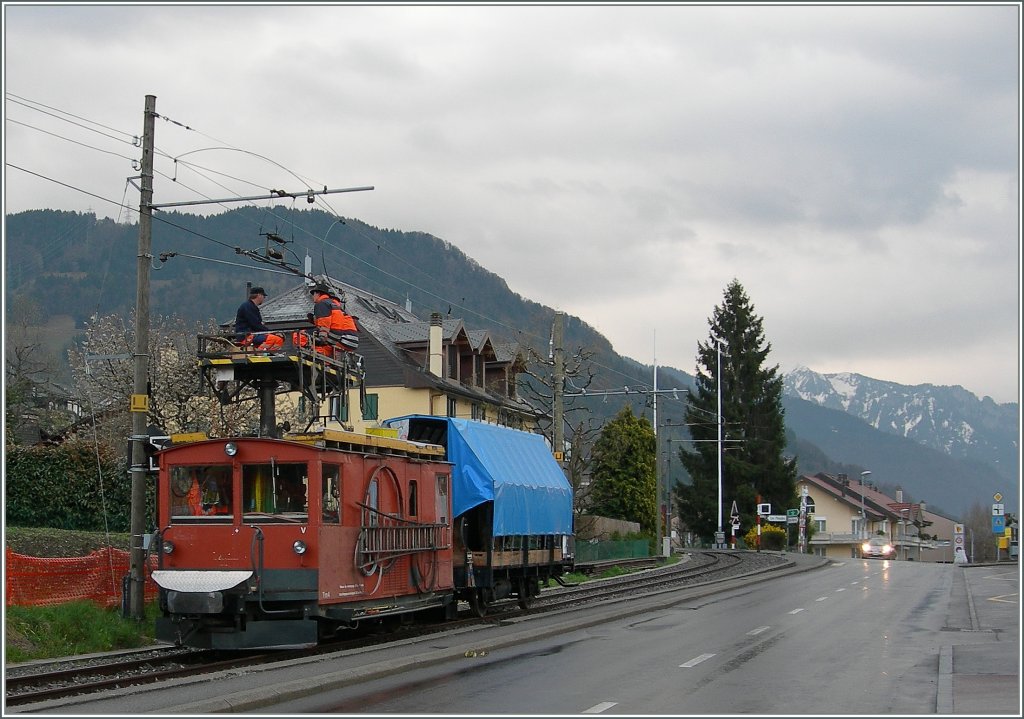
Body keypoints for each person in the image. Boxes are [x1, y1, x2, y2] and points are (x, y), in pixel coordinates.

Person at [234, 286, 282, 350]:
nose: (264, 298)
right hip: (247, 336)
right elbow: (255, 324)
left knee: (276, 339)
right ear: (259, 295)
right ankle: (261, 353)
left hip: (250, 334)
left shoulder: (249, 306)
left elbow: (256, 324)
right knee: (276, 339)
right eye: (263, 296)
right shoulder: (248, 307)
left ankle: (265, 352)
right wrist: (271, 332)